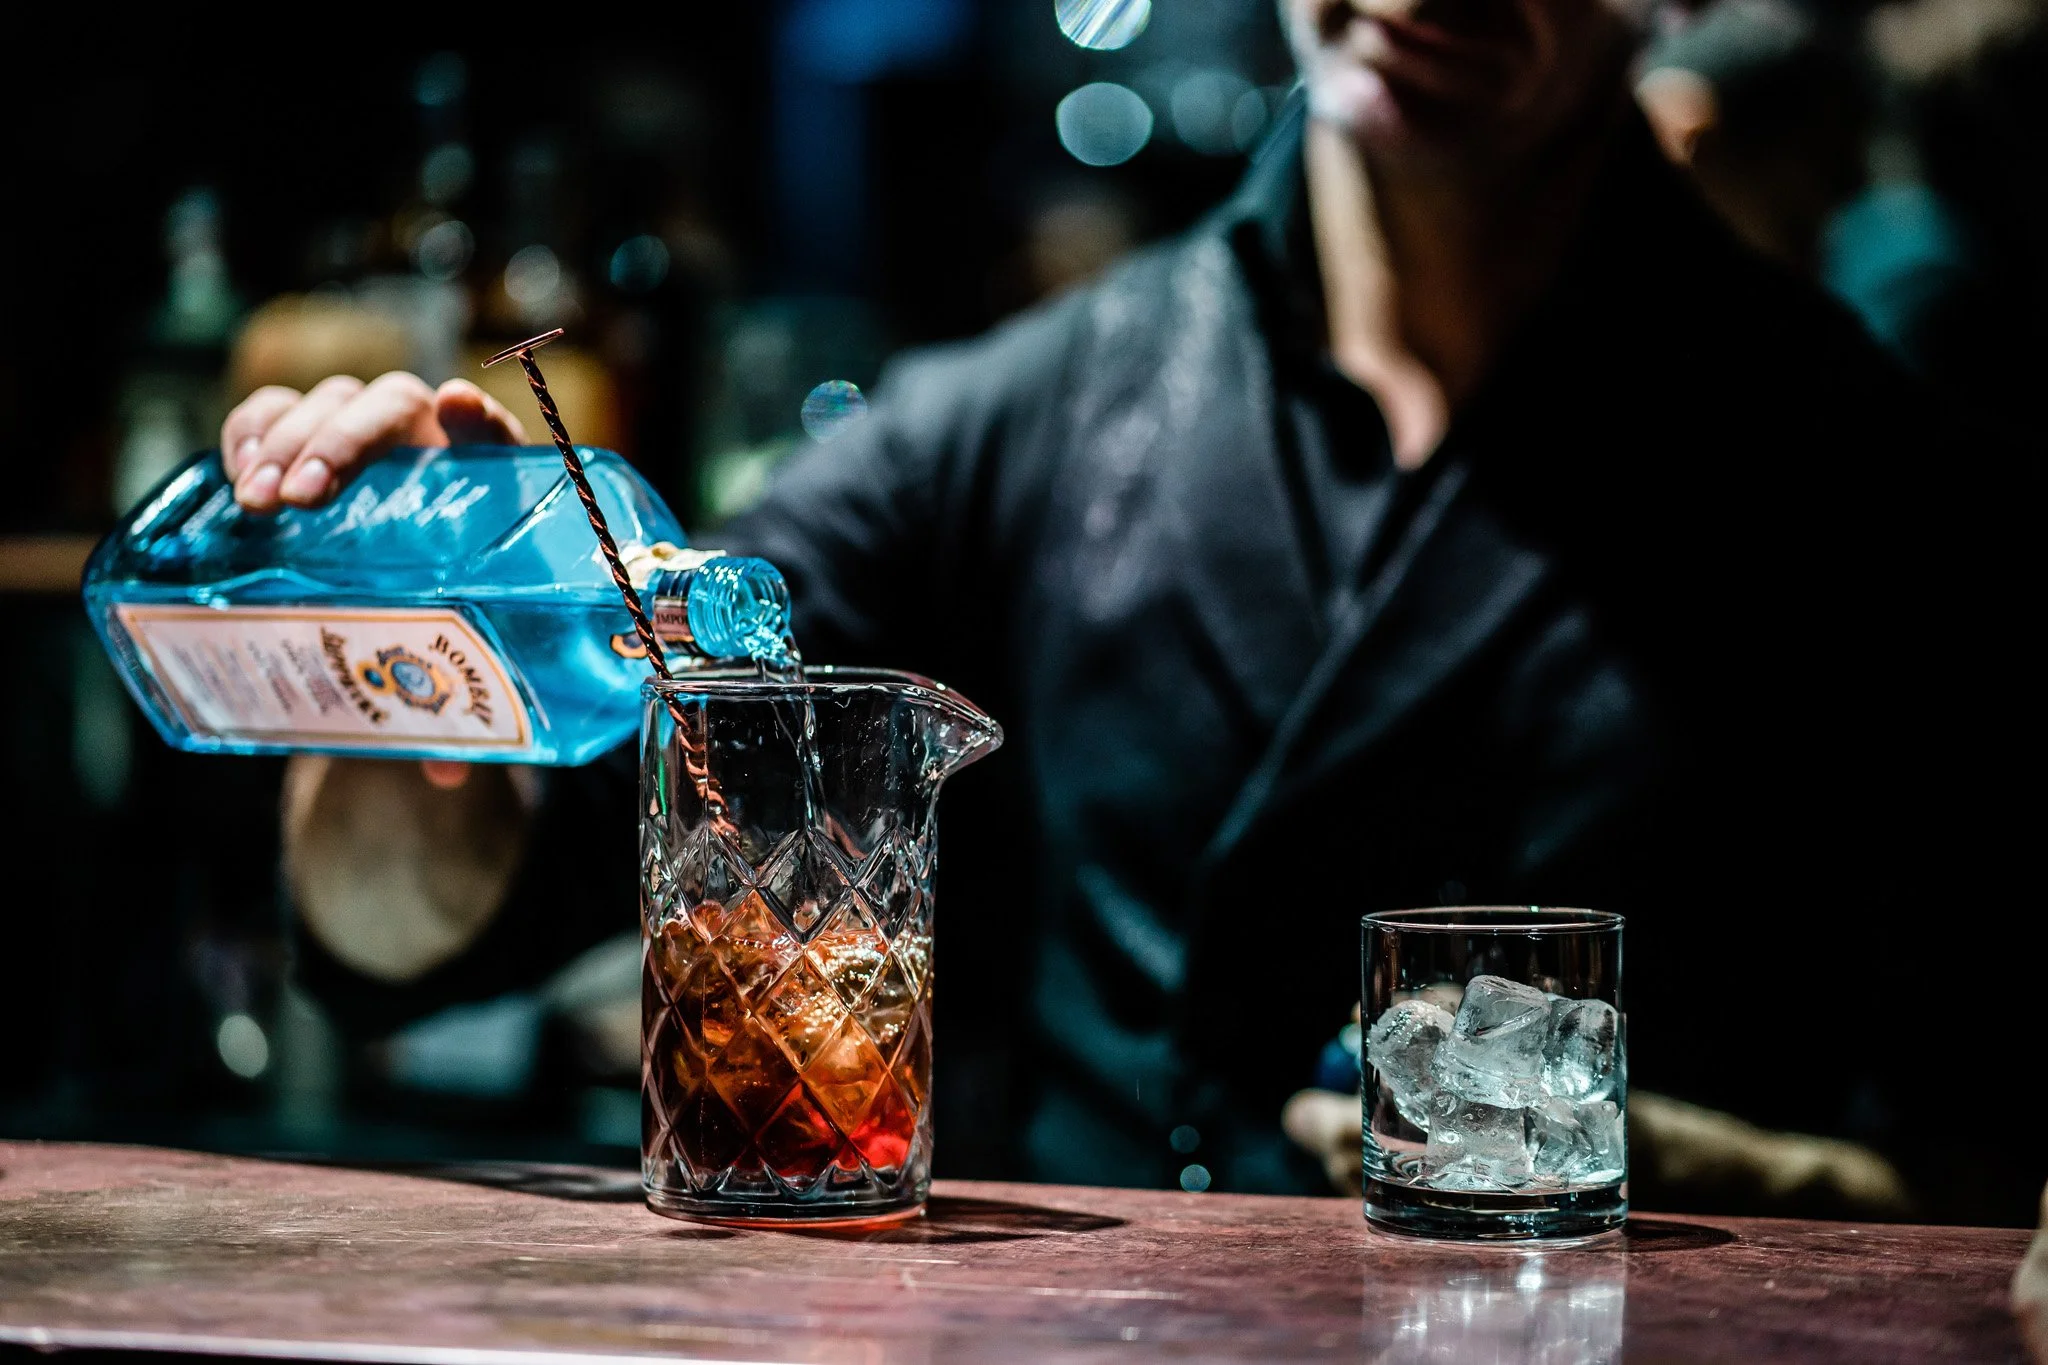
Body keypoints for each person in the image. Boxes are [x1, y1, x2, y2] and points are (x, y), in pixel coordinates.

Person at [223, 0, 2026, 1210]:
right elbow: (472, 890)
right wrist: (413, 669)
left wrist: (1793, 1193)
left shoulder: (1866, 469)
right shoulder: (1028, 412)